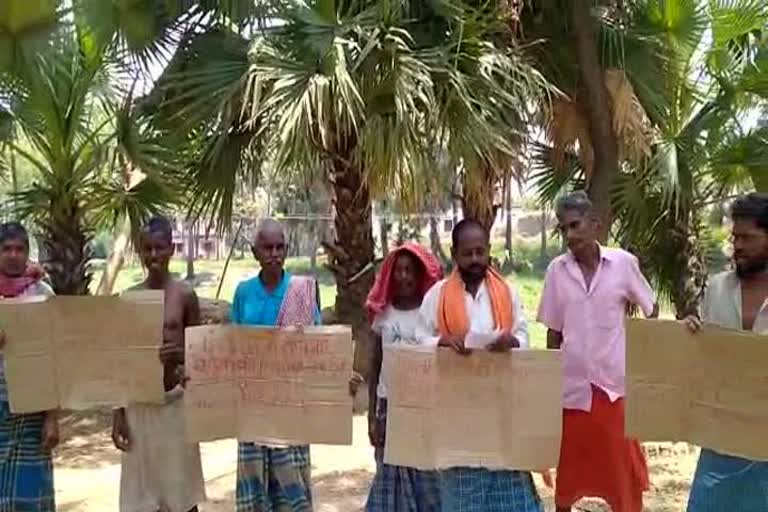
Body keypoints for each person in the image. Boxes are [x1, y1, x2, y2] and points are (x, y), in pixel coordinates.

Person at [537, 191, 657, 512]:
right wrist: (550, 386)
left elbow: (651, 311)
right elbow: (553, 333)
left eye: (575, 225)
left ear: (595, 225)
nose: (570, 235)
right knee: (569, 482)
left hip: (614, 390)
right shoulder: (556, 272)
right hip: (573, 393)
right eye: (563, 229)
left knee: (622, 482)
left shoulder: (622, 265)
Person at [418, 218, 543, 512]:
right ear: (454, 254)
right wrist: (442, 342)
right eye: (467, 253)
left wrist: (511, 343)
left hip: (503, 415)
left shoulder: (507, 292)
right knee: (462, 500)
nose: (475, 260)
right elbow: (416, 342)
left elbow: (523, 336)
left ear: (488, 251)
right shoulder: (436, 296)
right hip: (456, 418)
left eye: (480, 252)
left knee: (513, 500)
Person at [111, 216, 206, 512]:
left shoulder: (185, 296)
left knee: (181, 494)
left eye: (159, 248)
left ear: (171, 249)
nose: (153, 256)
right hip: (140, 406)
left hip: (176, 404)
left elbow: (200, 354)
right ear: (139, 252)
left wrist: (179, 357)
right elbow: (120, 361)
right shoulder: (129, 299)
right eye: (147, 249)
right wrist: (118, 414)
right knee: (141, 496)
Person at [683, 193, 768, 512]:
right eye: (735, 237)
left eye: (748, 237)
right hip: (722, 437)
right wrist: (692, 334)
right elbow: (705, 356)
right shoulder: (718, 288)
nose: (739, 245)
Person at [232, 218, 322, 512]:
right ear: (254, 251)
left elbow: (317, 347)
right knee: (256, 490)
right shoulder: (243, 293)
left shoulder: (303, 291)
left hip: (292, 408)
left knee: (292, 489)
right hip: (253, 408)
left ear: (287, 250)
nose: (274, 253)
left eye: (279, 247)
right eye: (267, 247)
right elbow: (233, 348)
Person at [364, 242, 444, 512]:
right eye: (398, 271)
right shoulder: (383, 315)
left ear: (419, 274)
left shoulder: (431, 314)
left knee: (427, 479)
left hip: (425, 409)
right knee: (390, 477)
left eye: (410, 270)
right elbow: (375, 363)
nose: (404, 277)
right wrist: (372, 415)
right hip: (390, 407)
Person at [0, 222, 59, 511]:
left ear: (27, 253)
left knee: (30, 497)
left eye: (19, 248)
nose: (13, 255)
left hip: (33, 412)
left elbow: (55, 355)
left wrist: (52, 417)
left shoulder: (44, 293)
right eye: (6, 249)